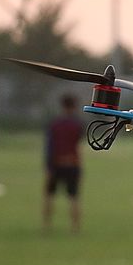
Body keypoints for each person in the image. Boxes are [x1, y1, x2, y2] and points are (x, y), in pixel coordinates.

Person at [43, 94, 84, 233]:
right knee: (74, 197)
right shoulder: (77, 125)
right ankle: (75, 228)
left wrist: (48, 166)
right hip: (73, 163)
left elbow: (49, 146)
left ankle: (46, 227)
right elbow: (79, 145)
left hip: (56, 164)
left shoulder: (55, 124)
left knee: (49, 196)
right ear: (74, 106)